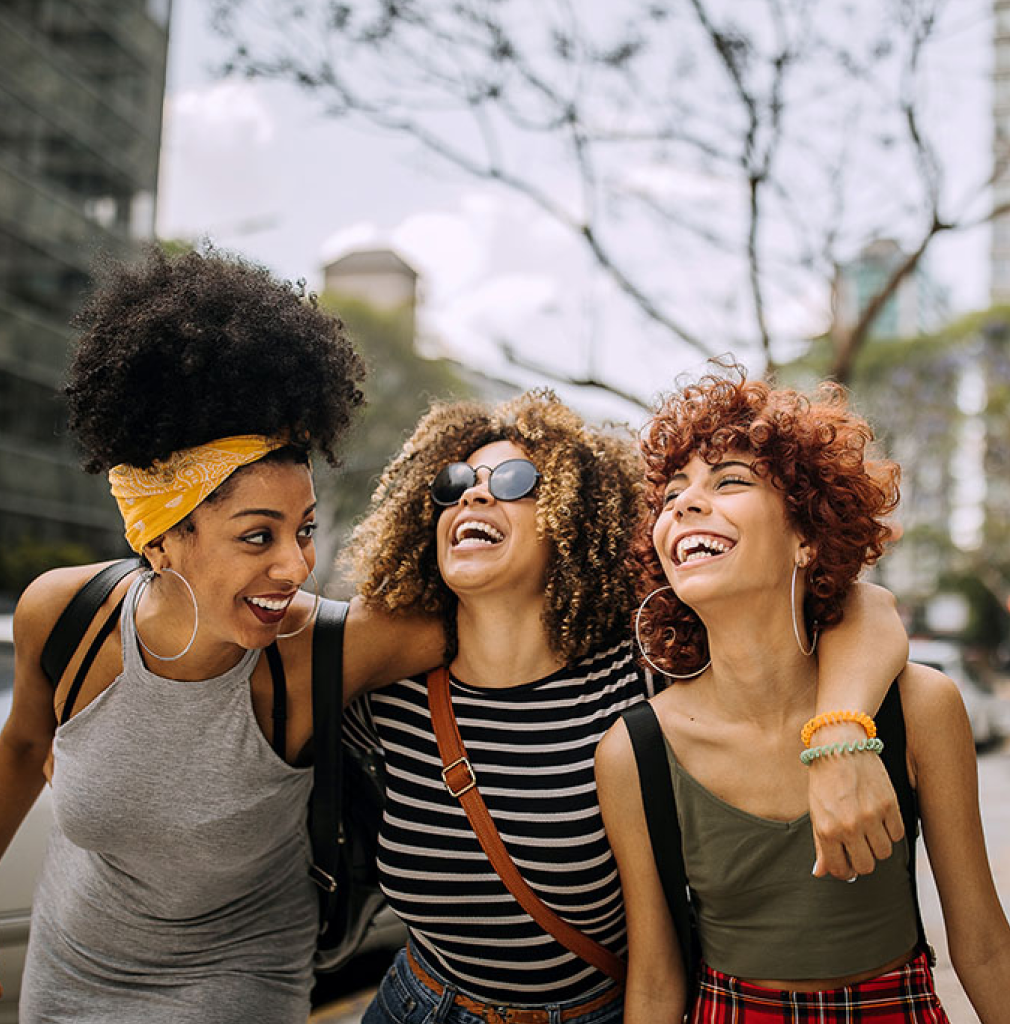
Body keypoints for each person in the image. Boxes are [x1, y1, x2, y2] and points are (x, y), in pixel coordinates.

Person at [342, 389, 911, 1023]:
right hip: (416, 1004)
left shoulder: (645, 676)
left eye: (512, 479)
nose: (473, 495)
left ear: (573, 513)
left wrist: (840, 735)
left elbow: (869, 608)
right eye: (454, 483)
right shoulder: (390, 693)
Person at [0, 246, 442, 1023]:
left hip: (237, 985)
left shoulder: (322, 654)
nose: (295, 566)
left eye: (303, 530)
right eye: (256, 536)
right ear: (164, 540)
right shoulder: (63, 616)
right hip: (64, 976)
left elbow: (490, 618)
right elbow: (21, 753)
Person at [595, 370, 1010, 1022]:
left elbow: (985, 947)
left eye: (729, 480)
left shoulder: (921, 707)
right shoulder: (634, 751)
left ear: (807, 537)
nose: (683, 504)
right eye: (672, 496)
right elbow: (654, 980)